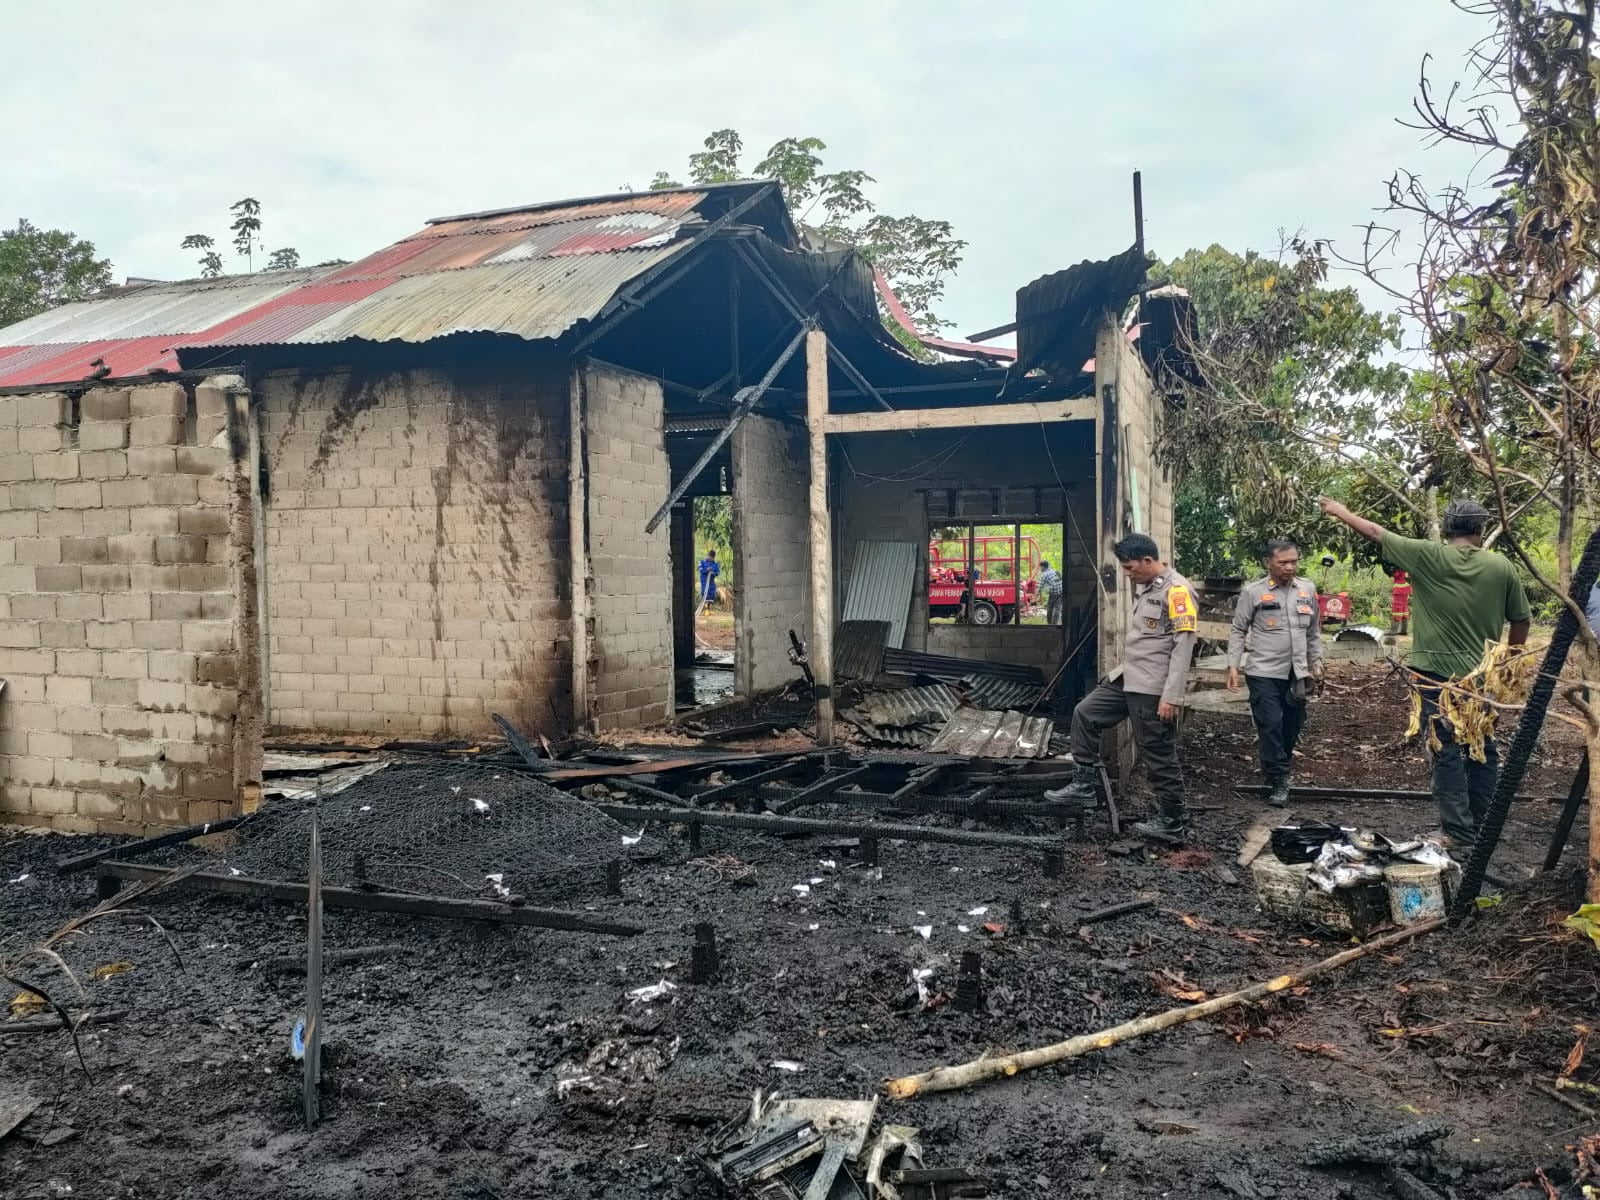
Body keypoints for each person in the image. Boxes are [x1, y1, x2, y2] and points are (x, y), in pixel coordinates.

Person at [1319, 496, 1531, 854]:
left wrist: (1339, 511)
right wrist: (1507, 657)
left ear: (1448, 528)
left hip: (1434, 674)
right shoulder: (1502, 567)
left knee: (1444, 747)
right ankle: (1483, 824)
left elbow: (1375, 531)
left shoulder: (1426, 555)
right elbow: (1521, 620)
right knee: (1481, 746)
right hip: (1481, 676)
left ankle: (1459, 831)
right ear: (1480, 529)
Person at [1045, 533, 1197, 843]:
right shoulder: (1147, 587)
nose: (1128, 574)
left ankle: (1172, 821)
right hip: (1128, 678)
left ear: (1147, 561)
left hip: (1153, 687)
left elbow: (1184, 647)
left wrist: (1172, 695)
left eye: (1130, 568)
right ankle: (1084, 787)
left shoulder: (1178, 591)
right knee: (1085, 713)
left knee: (1157, 753)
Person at [1226, 539, 1324, 807]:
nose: (1290, 567)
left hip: (1298, 672)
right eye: (1283, 562)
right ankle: (1280, 779)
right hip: (1264, 671)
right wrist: (1233, 664)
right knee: (1270, 724)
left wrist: (1317, 664)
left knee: (1292, 725)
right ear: (1268, 562)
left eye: (1294, 561)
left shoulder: (1307, 589)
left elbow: (1314, 630)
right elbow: (1238, 629)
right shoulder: (1253, 592)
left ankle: (1274, 765)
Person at [1039, 559, 1064, 625]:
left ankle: (1049, 623)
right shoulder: (1053, 570)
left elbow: (1040, 588)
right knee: (1057, 608)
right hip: (1061, 590)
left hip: (1054, 592)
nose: (1040, 569)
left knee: (1050, 607)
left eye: (1040, 567)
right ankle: (1054, 624)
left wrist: (1035, 597)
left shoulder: (1044, 575)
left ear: (1043, 567)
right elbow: (1060, 576)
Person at [1391, 570, 1412, 636]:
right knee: (1404, 609)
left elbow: (1395, 574)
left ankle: (1393, 631)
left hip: (1399, 591)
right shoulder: (1407, 565)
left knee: (1397, 610)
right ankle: (1404, 631)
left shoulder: (1399, 566)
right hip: (1406, 590)